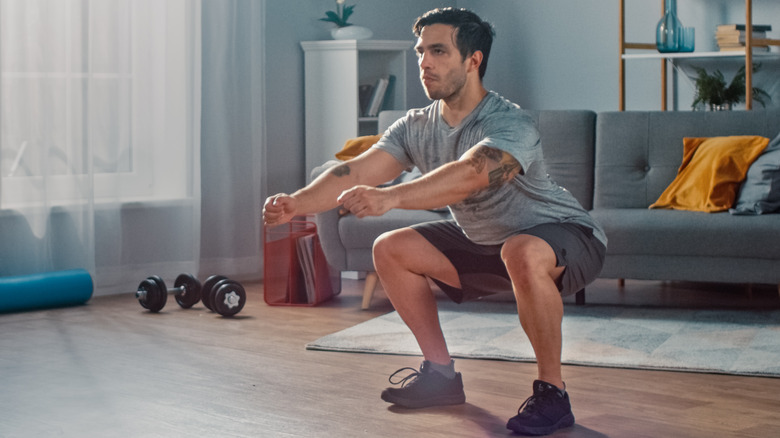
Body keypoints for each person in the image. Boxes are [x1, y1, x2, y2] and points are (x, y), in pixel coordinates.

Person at [263, 7, 606, 436]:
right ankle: (440, 376)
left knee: (519, 249)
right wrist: (296, 203)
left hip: (566, 236)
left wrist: (390, 197)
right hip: (486, 241)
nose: (424, 62)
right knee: (390, 247)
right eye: (421, 51)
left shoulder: (509, 122)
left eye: (439, 51)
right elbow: (358, 169)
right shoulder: (416, 126)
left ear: (473, 60)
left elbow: (472, 175)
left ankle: (553, 395)